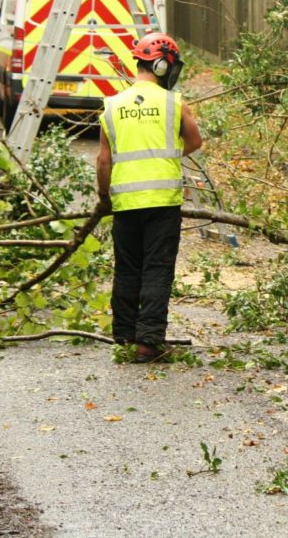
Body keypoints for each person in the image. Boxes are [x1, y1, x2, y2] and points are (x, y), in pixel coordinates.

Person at [97, 32, 202, 363]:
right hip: (162, 201)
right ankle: (149, 342)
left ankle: (125, 337)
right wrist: (167, 155)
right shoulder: (174, 103)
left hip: (125, 203)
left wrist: (104, 197)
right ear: (161, 65)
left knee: (128, 269)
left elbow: (104, 160)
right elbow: (195, 141)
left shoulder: (112, 106)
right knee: (157, 268)